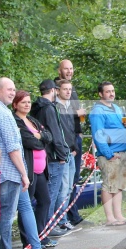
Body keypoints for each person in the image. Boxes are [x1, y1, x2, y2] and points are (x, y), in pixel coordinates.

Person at [0, 77, 51, 249]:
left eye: (13, 89)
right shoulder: (4, 114)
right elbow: (13, 148)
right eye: (9, 89)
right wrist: (24, 173)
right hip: (8, 172)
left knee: (6, 213)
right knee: (5, 217)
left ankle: (32, 248)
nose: (12, 92)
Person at [13, 90, 56, 249]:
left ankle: (40, 234)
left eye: (29, 102)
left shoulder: (32, 120)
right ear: (15, 104)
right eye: (23, 102)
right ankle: (28, 240)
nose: (27, 105)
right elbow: (30, 142)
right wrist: (40, 138)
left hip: (41, 170)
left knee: (45, 201)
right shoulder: (16, 121)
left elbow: (49, 136)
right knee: (27, 206)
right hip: (28, 171)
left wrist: (41, 137)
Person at [30, 79, 72, 238]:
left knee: (48, 194)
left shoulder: (37, 108)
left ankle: (45, 225)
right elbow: (56, 133)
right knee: (52, 193)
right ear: (54, 90)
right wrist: (62, 154)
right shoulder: (48, 108)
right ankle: (48, 224)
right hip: (53, 157)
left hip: (45, 156)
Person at [89, 81, 126, 226]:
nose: (111, 94)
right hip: (110, 153)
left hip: (122, 150)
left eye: (113, 91)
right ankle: (110, 218)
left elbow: (118, 130)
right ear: (100, 94)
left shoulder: (116, 108)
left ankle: (119, 216)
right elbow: (98, 134)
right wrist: (108, 154)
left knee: (119, 185)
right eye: (107, 91)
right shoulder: (98, 111)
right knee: (109, 185)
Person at [55, 60, 90, 227]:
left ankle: (72, 212)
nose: (69, 71)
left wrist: (80, 130)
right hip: (67, 140)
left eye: (71, 69)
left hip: (76, 135)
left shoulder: (72, 88)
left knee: (74, 178)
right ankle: (65, 217)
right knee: (65, 182)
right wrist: (77, 113)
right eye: (66, 69)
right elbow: (62, 113)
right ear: (59, 70)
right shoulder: (57, 89)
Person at [54, 79, 82, 232]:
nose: (68, 92)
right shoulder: (55, 107)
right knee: (63, 189)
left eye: (70, 89)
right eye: (65, 89)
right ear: (58, 90)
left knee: (70, 187)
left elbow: (71, 129)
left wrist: (75, 147)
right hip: (62, 153)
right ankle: (60, 221)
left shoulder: (69, 106)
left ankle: (64, 219)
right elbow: (59, 132)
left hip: (72, 150)